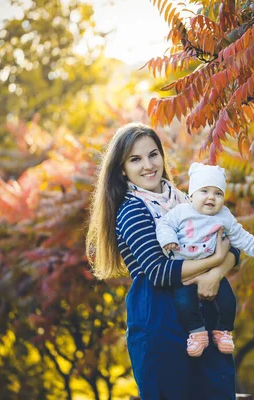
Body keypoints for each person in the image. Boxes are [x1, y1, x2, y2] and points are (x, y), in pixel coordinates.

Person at [85, 122, 241, 400]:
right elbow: (159, 272)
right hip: (159, 320)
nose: (148, 165)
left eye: (153, 154)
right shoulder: (132, 210)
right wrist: (215, 259)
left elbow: (234, 245)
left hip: (205, 318)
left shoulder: (187, 203)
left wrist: (216, 274)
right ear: (122, 169)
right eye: (135, 159)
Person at [156, 162, 254, 357]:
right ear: (192, 195)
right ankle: (197, 333)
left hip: (211, 271)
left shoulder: (224, 216)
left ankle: (223, 331)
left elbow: (241, 236)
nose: (211, 197)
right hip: (186, 270)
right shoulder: (181, 212)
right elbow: (164, 225)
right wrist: (169, 240)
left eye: (218, 193)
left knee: (228, 301)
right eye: (204, 191)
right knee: (184, 302)